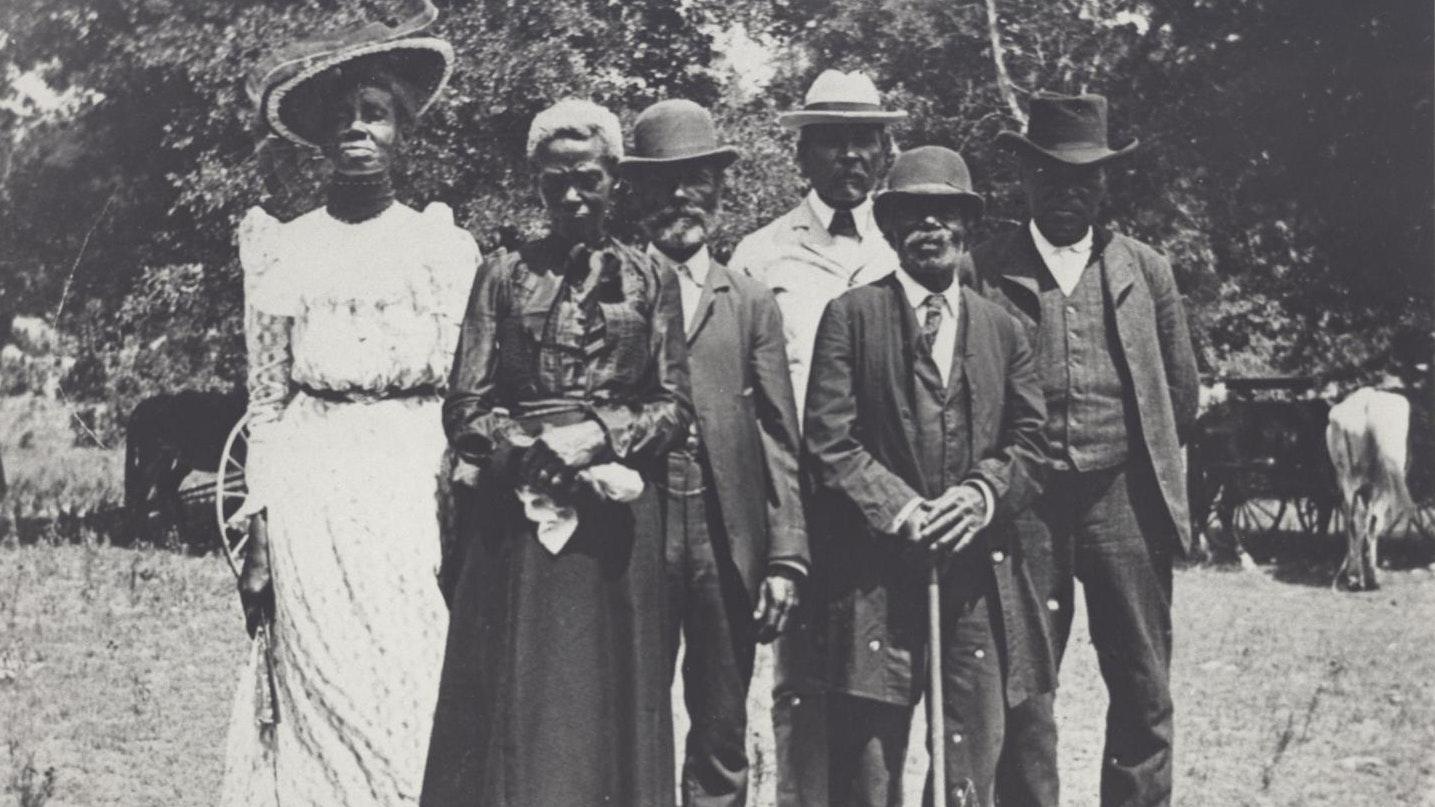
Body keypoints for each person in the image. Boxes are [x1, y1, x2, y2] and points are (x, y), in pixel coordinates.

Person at [221, 14, 479, 807]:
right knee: (320, 670)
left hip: (407, 475)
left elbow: (463, 390)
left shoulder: (442, 248)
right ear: (320, 140)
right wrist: (258, 520)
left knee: (410, 663)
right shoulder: (283, 247)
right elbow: (267, 396)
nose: (356, 129)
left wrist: (454, 490)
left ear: (402, 128)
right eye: (342, 117)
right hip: (312, 479)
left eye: (373, 112)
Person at [421, 98, 694, 807]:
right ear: (535, 184)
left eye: (588, 178)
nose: (571, 195)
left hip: (615, 529)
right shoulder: (502, 271)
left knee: (611, 703)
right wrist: (528, 450)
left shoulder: (650, 277)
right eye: (554, 180)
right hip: (516, 523)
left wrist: (600, 435)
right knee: (517, 702)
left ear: (614, 180)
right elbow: (465, 404)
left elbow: (672, 406)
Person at [968, 93, 1200, 807]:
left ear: (1104, 183)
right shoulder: (985, 268)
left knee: (1140, 683)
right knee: (1024, 692)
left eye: (1084, 178)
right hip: (1026, 507)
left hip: (1122, 501)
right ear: (1024, 179)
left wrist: (1136, 465)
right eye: (1049, 175)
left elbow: (1179, 392)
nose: (1067, 192)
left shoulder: (1144, 270)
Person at [804, 145, 1052, 807]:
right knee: (868, 768)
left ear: (966, 225)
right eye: (912, 214)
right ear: (887, 228)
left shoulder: (1004, 330)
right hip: (874, 578)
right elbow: (828, 442)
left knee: (967, 765)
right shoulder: (850, 317)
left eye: (944, 213)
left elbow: (1034, 444)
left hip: (974, 581)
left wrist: (982, 493)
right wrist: (901, 507)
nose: (930, 228)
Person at [725, 68, 904, 807]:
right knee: (799, 683)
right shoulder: (759, 257)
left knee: (879, 683)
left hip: (885, 503)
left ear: (885, 150)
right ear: (802, 153)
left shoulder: (907, 247)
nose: (851, 157)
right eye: (832, 142)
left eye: (865, 140)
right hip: (794, 500)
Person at [622, 99, 808, 807]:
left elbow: (777, 434)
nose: (679, 196)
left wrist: (786, 556)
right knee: (634, 716)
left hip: (728, 539)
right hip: (632, 533)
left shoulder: (750, 300)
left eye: (696, 179)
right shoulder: (608, 287)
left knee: (721, 725)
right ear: (635, 193)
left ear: (718, 190)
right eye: (664, 181)